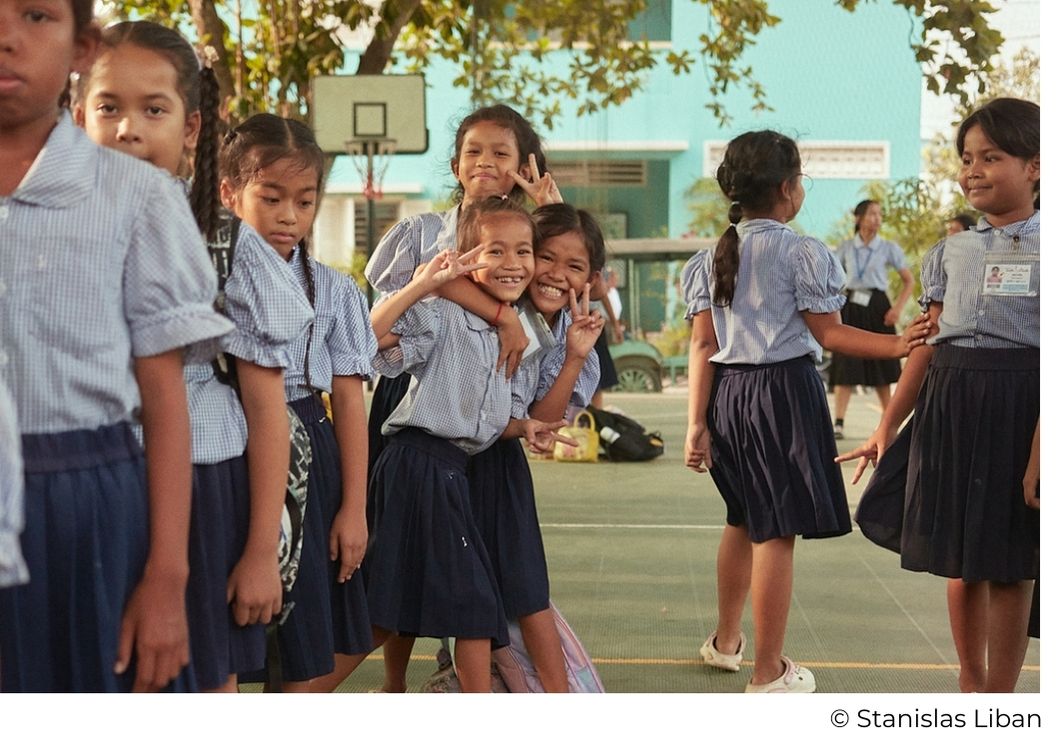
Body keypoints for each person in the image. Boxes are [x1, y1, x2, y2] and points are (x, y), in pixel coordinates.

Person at [0, 0, 233, 692]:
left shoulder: (135, 200)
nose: (7, 36)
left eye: (37, 15)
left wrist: (167, 578)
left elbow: (165, 402)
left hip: (85, 507)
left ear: (80, 46)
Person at [75, 23, 314, 692]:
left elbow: (269, 410)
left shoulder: (227, 245)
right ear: (76, 117)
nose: (129, 129)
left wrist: (262, 548)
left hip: (208, 494)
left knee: (202, 683)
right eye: (108, 107)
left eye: (154, 109)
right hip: (87, 491)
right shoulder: (46, 232)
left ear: (191, 128)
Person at [681, 130, 928, 693]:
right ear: (790, 189)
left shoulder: (709, 257)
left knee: (742, 517)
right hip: (782, 394)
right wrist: (897, 345)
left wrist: (697, 424)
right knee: (777, 532)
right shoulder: (802, 251)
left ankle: (726, 643)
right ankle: (769, 672)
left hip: (727, 398)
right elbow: (831, 333)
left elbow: (701, 346)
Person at [839, 98, 1039, 693]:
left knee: (1009, 564)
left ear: (1035, 165)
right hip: (949, 406)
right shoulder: (949, 252)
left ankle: (1001, 695)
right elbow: (924, 346)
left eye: (991, 157)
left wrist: (1041, 450)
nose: (972, 169)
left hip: (1021, 407)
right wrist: (887, 426)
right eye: (966, 158)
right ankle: (970, 683)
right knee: (960, 558)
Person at [365, 103, 562, 687]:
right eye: (474, 152)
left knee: (478, 566)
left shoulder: (529, 237)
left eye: (502, 154)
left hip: (486, 407)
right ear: (455, 164)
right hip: (419, 392)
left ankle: (467, 672)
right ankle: (393, 680)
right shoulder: (423, 230)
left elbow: (565, 286)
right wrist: (502, 315)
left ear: (524, 167)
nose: (486, 163)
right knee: (401, 560)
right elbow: (410, 292)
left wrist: (551, 212)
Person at [375, 203, 607, 694]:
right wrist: (430, 285)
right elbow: (398, 311)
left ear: (594, 278)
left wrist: (568, 366)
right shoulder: (467, 312)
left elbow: (525, 418)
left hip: (481, 462)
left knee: (505, 596)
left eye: (575, 266)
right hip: (433, 461)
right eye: (546, 256)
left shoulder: (546, 334)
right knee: (403, 605)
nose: (552, 273)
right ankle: (387, 686)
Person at [215, 114, 376, 693]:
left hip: (310, 453)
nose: (289, 216)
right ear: (229, 192)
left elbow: (350, 402)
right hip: (226, 453)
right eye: (272, 197)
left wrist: (353, 507)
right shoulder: (204, 276)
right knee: (224, 631)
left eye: (305, 202)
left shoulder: (334, 289)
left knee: (301, 639)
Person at [828, 199, 915, 439]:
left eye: (879, 214)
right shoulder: (846, 247)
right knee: (845, 364)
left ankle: (889, 421)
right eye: (872, 214)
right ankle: (839, 423)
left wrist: (897, 308)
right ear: (858, 218)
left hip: (878, 306)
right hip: (852, 305)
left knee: (882, 365)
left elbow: (909, 280)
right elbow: (832, 280)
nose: (877, 219)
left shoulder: (888, 248)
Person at [589, 266, 623, 408]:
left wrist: (615, 325)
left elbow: (603, 295)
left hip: (594, 322)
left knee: (596, 370)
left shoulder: (595, 275)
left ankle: (597, 414)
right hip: (573, 319)